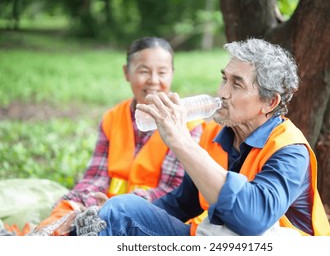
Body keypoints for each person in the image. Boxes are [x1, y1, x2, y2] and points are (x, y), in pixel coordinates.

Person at [77, 37, 330, 236]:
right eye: (224, 79)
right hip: (216, 240)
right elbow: (182, 203)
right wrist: (112, 212)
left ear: (269, 102)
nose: (222, 92)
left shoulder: (290, 150)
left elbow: (254, 219)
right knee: (120, 211)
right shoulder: (220, 140)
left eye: (236, 84)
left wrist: (181, 142)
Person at [34, 37, 204, 236]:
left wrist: (116, 207)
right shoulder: (113, 117)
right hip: (106, 205)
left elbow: (174, 193)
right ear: (126, 73)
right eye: (144, 71)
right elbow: (96, 176)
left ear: (172, 74)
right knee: (65, 211)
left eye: (162, 72)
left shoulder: (188, 125)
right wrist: (80, 203)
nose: (154, 80)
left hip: (153, 216)